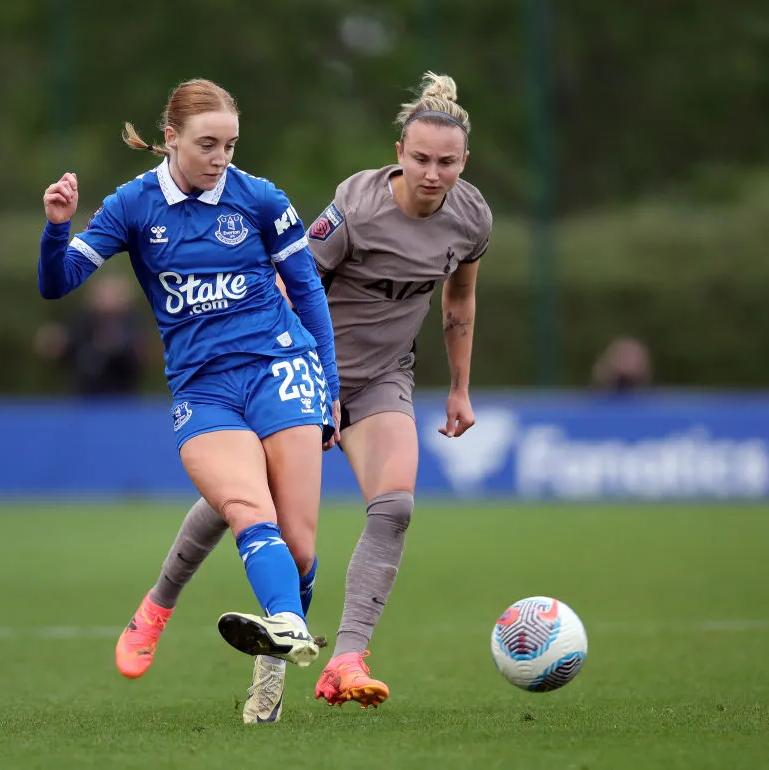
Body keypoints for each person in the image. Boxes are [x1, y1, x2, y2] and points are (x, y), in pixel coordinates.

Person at [117, 72, 493, 724]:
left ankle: (344, 660)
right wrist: (286, 376)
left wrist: (459, 387)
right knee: (239, 506)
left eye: (448, 162)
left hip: (381, 382)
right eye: (422, 159)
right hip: (294, 371)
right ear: (398, 152)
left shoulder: (471, 217)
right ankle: (158, 604)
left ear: (465, 161)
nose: (434, 174)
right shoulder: (358, 204)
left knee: (395, 506)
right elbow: (291, 283)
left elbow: (459, 302)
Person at [37, 78, 342, 674]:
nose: (221, 158)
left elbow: (308, 293)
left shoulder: (261, 199)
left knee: (301, 548)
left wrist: (329, 390)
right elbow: (58, 283)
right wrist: (56, 228)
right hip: (205, 390)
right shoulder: (132, 205)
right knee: (248, 507)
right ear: (171, 138)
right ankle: (255, 622)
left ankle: (274, 658)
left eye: (230, 144)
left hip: (282, 368)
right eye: (208, 144)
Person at [34, 273, 150, 396]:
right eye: (103, 294)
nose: (108, 300)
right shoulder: (82, 321)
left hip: (123, 396)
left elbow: (138, 358)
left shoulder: (132, 322)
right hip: (85, 396)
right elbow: (68, 348)